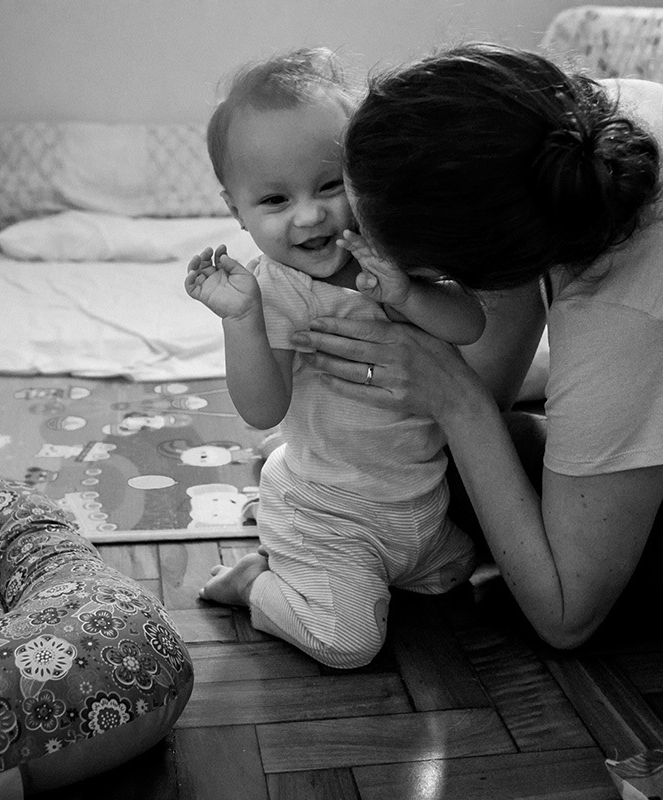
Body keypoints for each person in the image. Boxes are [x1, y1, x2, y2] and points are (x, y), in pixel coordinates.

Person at [289, 42, 663, 650]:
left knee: (455, 462)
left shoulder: (627, 324)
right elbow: (503, 353)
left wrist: (455, 401)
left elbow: (565, 617)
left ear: (476, 269)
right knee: (446, 440)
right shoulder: (584, 126)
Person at [184, 47, 486, 668]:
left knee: (460, 571)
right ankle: (256, 583)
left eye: (330, 185)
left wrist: (407, 292)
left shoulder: (393, 252)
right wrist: (242, 321)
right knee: (348, 644)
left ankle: (337, 566)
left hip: (418, 504)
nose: (310, 213)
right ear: (234, 211)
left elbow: (470, 323)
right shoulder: (278, 289)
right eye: (274, 201)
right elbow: (263, 409)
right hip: (328, 510)